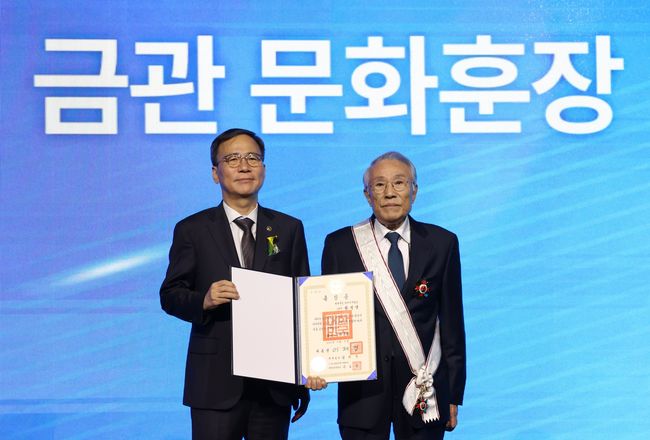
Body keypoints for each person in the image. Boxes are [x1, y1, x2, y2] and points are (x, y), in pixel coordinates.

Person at [160, 128, 310, 440]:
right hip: (214, 382)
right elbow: (170, 295)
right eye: (232, 159)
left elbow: (303, 304)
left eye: (253, 158)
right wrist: (203, 300)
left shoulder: (288, 228)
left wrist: (303, 375)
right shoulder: (192, 229)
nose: (244, 166)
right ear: (215, 173)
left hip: (274, 385)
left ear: (264, 169)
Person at [307, 152, 466, 440]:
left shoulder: (442, 243)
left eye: (399, 183)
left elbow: (452, 324)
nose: (389, 193)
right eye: (379, 185)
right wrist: (316, 365)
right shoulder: (340, 244)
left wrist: (453, 394)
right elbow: (325, 315)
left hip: (425, 391)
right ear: (367, 195)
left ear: (414, 191)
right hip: (362, 396)